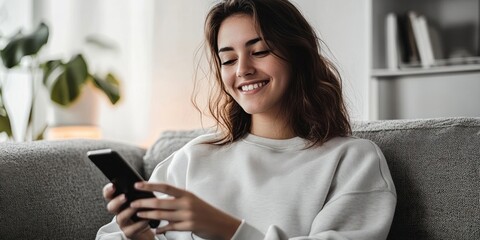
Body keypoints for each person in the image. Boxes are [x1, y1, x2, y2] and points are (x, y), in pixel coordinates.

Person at [96, 0, 396, 239]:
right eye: (228, 59)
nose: (242, 69)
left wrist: (227, 229)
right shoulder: (192, 158)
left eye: (260, 51)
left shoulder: (353, 160)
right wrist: (139, 237)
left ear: (298, 55)